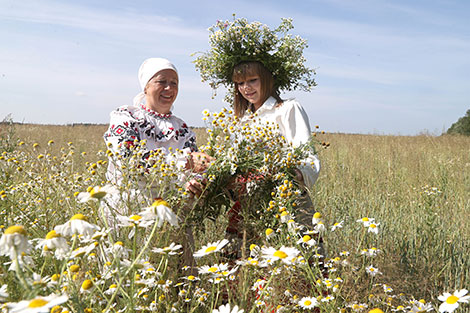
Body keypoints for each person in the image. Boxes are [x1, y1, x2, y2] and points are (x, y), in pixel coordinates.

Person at [103, 57, 211, 267]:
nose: (169, 88)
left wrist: (196, 183)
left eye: (174, 83)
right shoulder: (126, 117)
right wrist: (185, 162)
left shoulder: (182, 128)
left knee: (172, 279)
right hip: (130, 211)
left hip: (171, 213)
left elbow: (193, 172)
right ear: (146, 86)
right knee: (130, 273)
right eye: (162, 81)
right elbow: (126, 160)